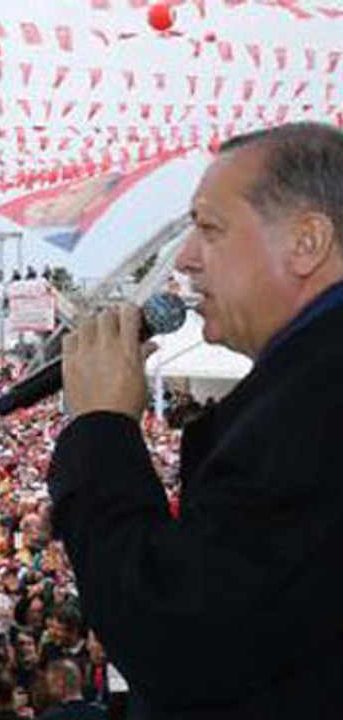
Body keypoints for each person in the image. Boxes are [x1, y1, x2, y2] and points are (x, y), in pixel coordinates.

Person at [48, 122, 343, 716]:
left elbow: (176, 635)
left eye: (209, 229)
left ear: (306, 242)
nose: (184, 259)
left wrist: (103, 427)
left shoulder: (318, 400)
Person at [36, 662, 105, 720]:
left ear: (60, 682)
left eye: (50, 682)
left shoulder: (51, 716)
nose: (49, 687)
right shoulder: (100, 714)